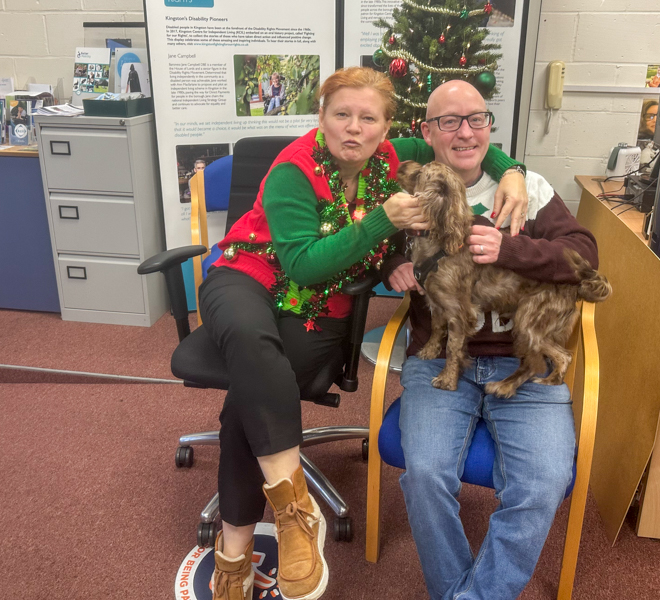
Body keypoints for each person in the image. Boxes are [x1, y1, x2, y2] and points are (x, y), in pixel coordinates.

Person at [199, 66, 528, 600]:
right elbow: (303, 265)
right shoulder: (293, 169)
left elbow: (458, 140)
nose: (353, 128)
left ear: (386, 127)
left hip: (318, 304)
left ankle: (235, 548)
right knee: (253, 349)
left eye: (367, 118)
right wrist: (384, 225)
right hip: (251, 275)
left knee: (249, 395)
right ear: (322, 119)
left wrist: (511, 168)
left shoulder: (392, 155)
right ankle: (292, 517)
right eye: (341, 115)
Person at [380, 80, 599, 600]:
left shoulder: (529, 190)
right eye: (449, 121)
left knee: (542, 484)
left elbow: (585, 256)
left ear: (490, 127)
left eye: (476, 119)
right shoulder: (409, 196)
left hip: (521, 362)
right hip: (439, 362)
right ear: (427, 132)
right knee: (426, 475)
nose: (465, 132)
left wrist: (509, 249)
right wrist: (393, 263)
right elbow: (378, 248)